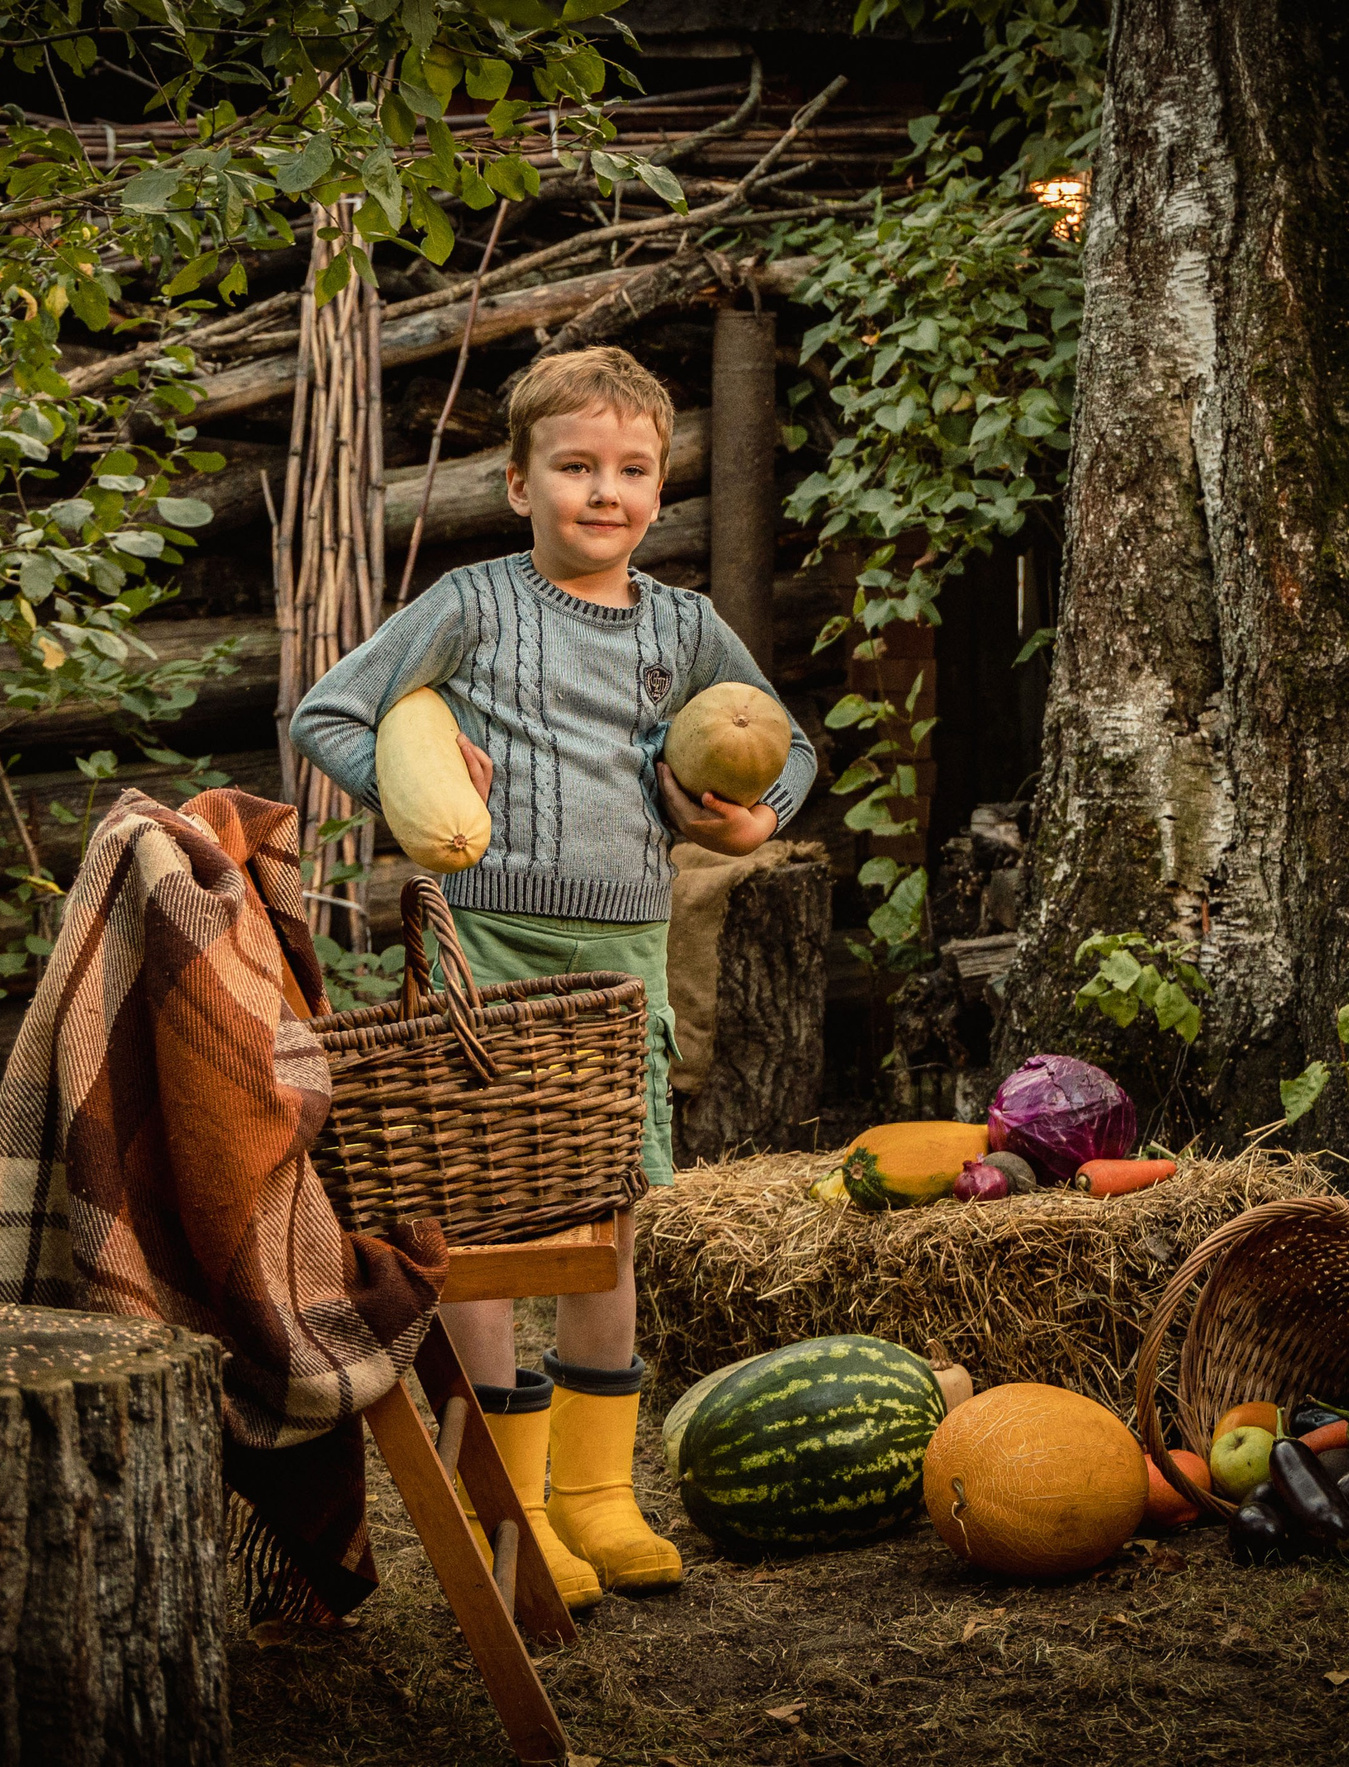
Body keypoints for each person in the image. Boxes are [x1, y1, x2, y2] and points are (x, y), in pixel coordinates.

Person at [290, 346, 816, 1607]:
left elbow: (788, 745)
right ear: (518, 481)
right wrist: (412, 789)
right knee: (480, 1229)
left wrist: (754, 818)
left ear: (661, 484)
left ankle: (597, 1494)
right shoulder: (472, 605)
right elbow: (326, 713)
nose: (606, 492)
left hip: (621, 965)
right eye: (575, 467)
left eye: (633, 470)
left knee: (610, 1214)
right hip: (486, 952)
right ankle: (507, 1503)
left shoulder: (686, 628)